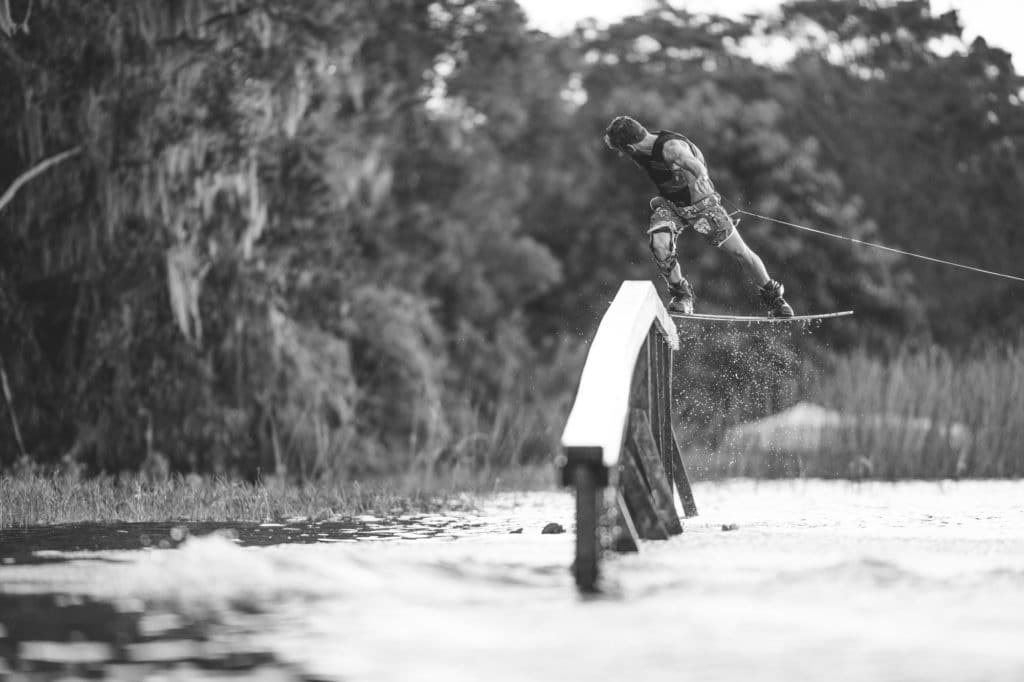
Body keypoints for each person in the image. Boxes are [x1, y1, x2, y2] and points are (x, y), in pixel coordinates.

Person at [604, 115, 794, 317]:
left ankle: (775, 299)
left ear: (630, 148)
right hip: (671, 205)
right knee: (659, 243)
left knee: (740, 253)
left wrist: (702, 175)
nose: (623, 155)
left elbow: (690, 161)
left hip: (703, 208)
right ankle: (682, 296)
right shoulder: (640, 148)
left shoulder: (671, 148)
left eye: (621, 151)